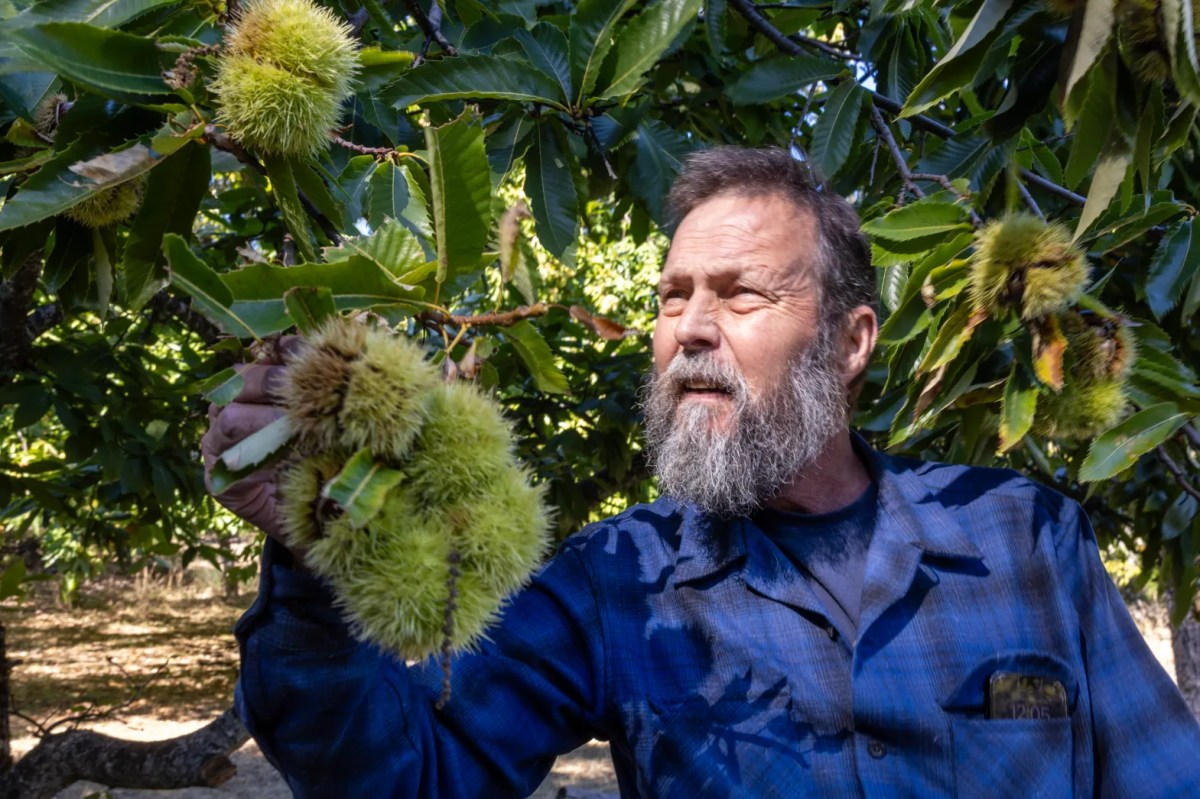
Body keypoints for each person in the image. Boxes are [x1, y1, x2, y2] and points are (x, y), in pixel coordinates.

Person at [206, 147, 1200, 798]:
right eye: (670, 296)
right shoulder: (619, 582)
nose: (688, 329)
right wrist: (315, 561)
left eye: (741, 295)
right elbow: (408, 778)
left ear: (851, 342)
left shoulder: (1022, 537)